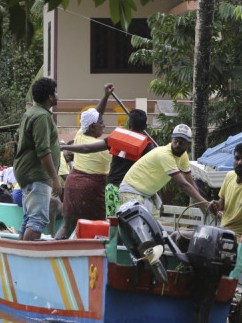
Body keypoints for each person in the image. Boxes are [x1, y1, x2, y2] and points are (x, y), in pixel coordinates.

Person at [61, 108, 156, 217]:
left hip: (112, 189)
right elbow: (153, 173)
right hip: (132, 192)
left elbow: (87, 148)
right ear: (145, 126)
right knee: (130, 225)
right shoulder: (148, 147)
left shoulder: (117, 138)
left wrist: (64, 146)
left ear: (129, 125)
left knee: (112, 225)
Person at [54, 84, 114, 239]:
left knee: (67, 227)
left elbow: (96, 114)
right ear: (93, 127)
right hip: (92, 190)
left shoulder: (81, 133)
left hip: (73, 186)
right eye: (101, 123)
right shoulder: (101, 146)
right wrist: (66, 147)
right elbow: (87, 148)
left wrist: (106, 96)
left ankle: (54, 253)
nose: (104, 125)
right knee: (98, 228)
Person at [118, 123, 209, 218]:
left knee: (154, 228)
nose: (177, 145)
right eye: (176, 141)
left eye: (181, 142)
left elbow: (190, 183)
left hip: (147, 193)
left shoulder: (183, 156)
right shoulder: (165, 155)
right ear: (171, 139)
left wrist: (204, 204)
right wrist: (205, 204)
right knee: (141, 228)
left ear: (189, 144)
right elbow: (184, 185)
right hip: (131, 191)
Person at [13, 77, 62, 241]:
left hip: (28, 173)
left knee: (28, 219)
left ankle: (20, 253)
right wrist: (55, 178)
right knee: (38, 221)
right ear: (49, 96)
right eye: (55, 91)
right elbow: (43, 150)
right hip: (37, 175)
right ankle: (27, 258)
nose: (57, 94)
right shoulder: (41, 116)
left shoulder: (31, 113)